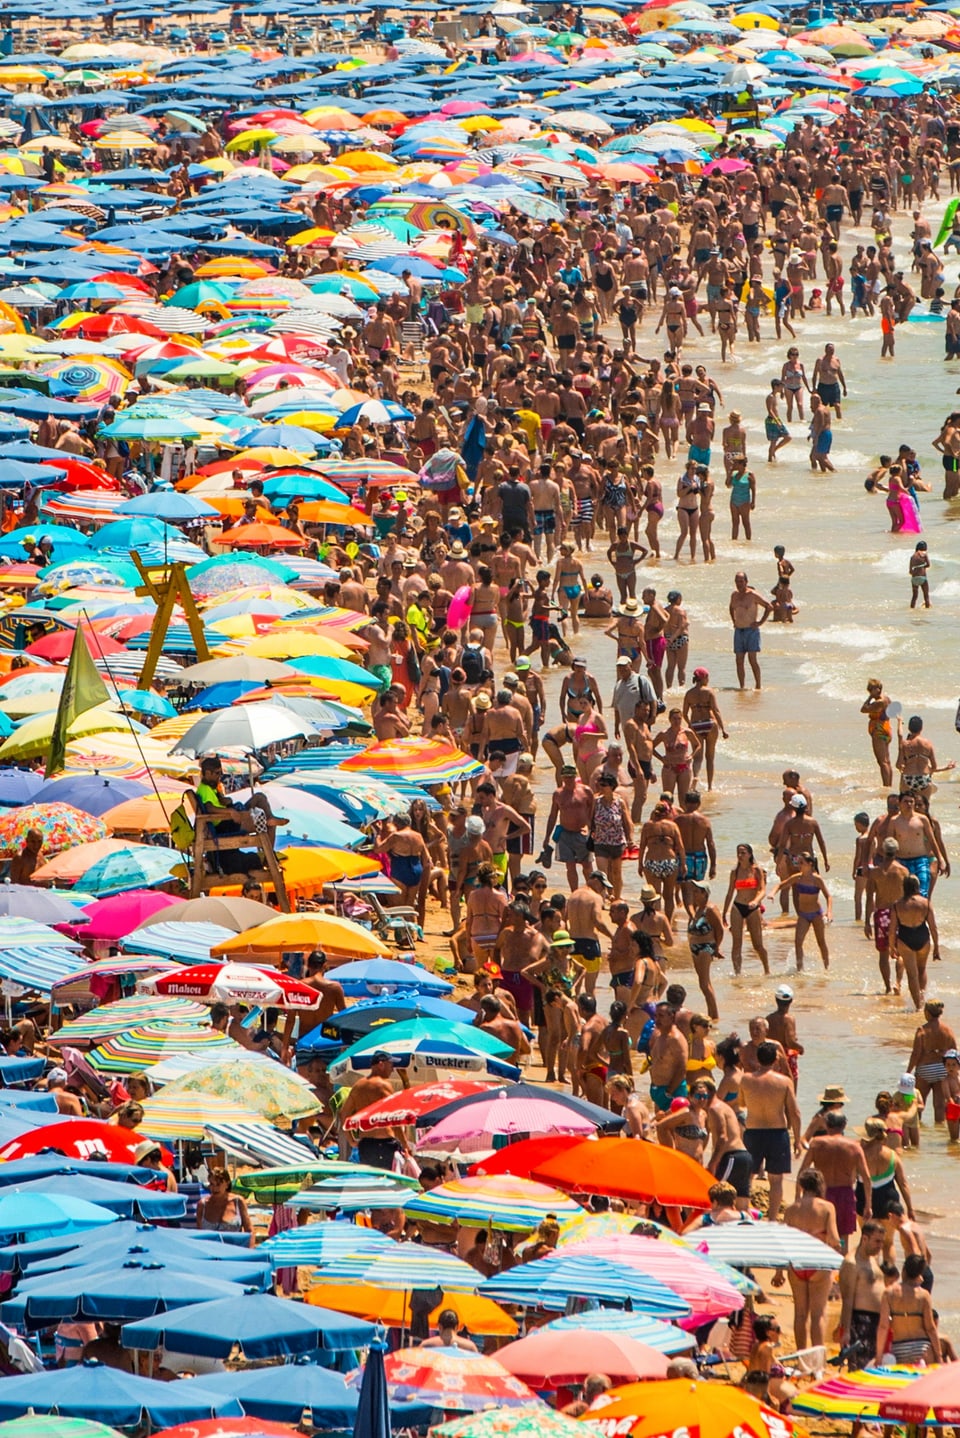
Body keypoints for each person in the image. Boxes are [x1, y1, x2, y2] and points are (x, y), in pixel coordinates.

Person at [778, 1169, 841, 1350]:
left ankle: (801, 1357)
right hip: (818, 1263)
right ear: (820, 1185)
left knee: (800, 1314)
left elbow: (784, 1240)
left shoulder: (791, 1209)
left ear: (802, 1186)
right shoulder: (827, 1208)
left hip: (796, 1264)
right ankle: (817, 1361)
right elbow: (835, 1239)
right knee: (818, 1315)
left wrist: (779, 1271)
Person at [740, 1041, 802, 1220]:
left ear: (757, 1058)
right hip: (777, 1133)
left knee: (748, 1177)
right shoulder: (784, 1082)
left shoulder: (746, 1079)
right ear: (776, 1059)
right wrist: (797, 1140)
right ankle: (773, 1219)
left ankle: (745, 1214)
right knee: (776, 1181)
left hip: (753, 1131)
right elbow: (794, 1112)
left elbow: (742, 1103)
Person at [798, 1111, 873, 1251]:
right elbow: (867, 1178)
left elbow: (803, 1171)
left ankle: (823, 1268)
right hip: (845, 1195)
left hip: (821, 1194)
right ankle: (840, 1267)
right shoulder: (854, 1146)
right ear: (844, 1125)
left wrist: (799, 1196)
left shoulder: (816, 1143)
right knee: (843, 1237)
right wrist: (868, 1205)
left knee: (821, 1234)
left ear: (826, 1125)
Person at [875, 1254, 941, 1365]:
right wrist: (939, 1356)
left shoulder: (889, 1293)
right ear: (919, 1274)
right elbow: (930, 1328)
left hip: (899, 1347)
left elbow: (883, 1326)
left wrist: (879, 1356)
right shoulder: (924, 1295)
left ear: (903, 1270)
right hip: (922, 1348)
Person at [837, 1221, 886, 1368]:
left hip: (878, 1322)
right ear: (864, 1238)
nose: (880, 1246)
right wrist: (845, 1331)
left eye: (882, 1242)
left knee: (876, 1367)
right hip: (860, 1321)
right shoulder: (851, 1263)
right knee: (860, 1367)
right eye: (877, 1241)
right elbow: (847, 1300)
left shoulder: (873, 1260)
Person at [729, 571, 772, 690]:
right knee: (739, 660)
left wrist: (760, 622)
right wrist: (734, 621)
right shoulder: (734, 595)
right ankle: (742, 686)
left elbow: (769, 606)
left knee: (752, 659)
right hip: (739, 631)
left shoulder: (753, 595)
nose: (739, 584)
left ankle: (758, 685)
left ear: (746, 582)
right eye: (737, 581)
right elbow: (731, 607)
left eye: (741, 581)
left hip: (751, 631)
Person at [195, 1168, 253, 1245]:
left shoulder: (238, 1202)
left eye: (218, 1184)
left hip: (234, 1251)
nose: (214, 1188)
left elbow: (249, 1231)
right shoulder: (202, 1205)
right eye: (212, 1184)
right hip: (211, 1251)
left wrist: (250, 1252)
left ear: (227, 1184)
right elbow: (200, 1235)